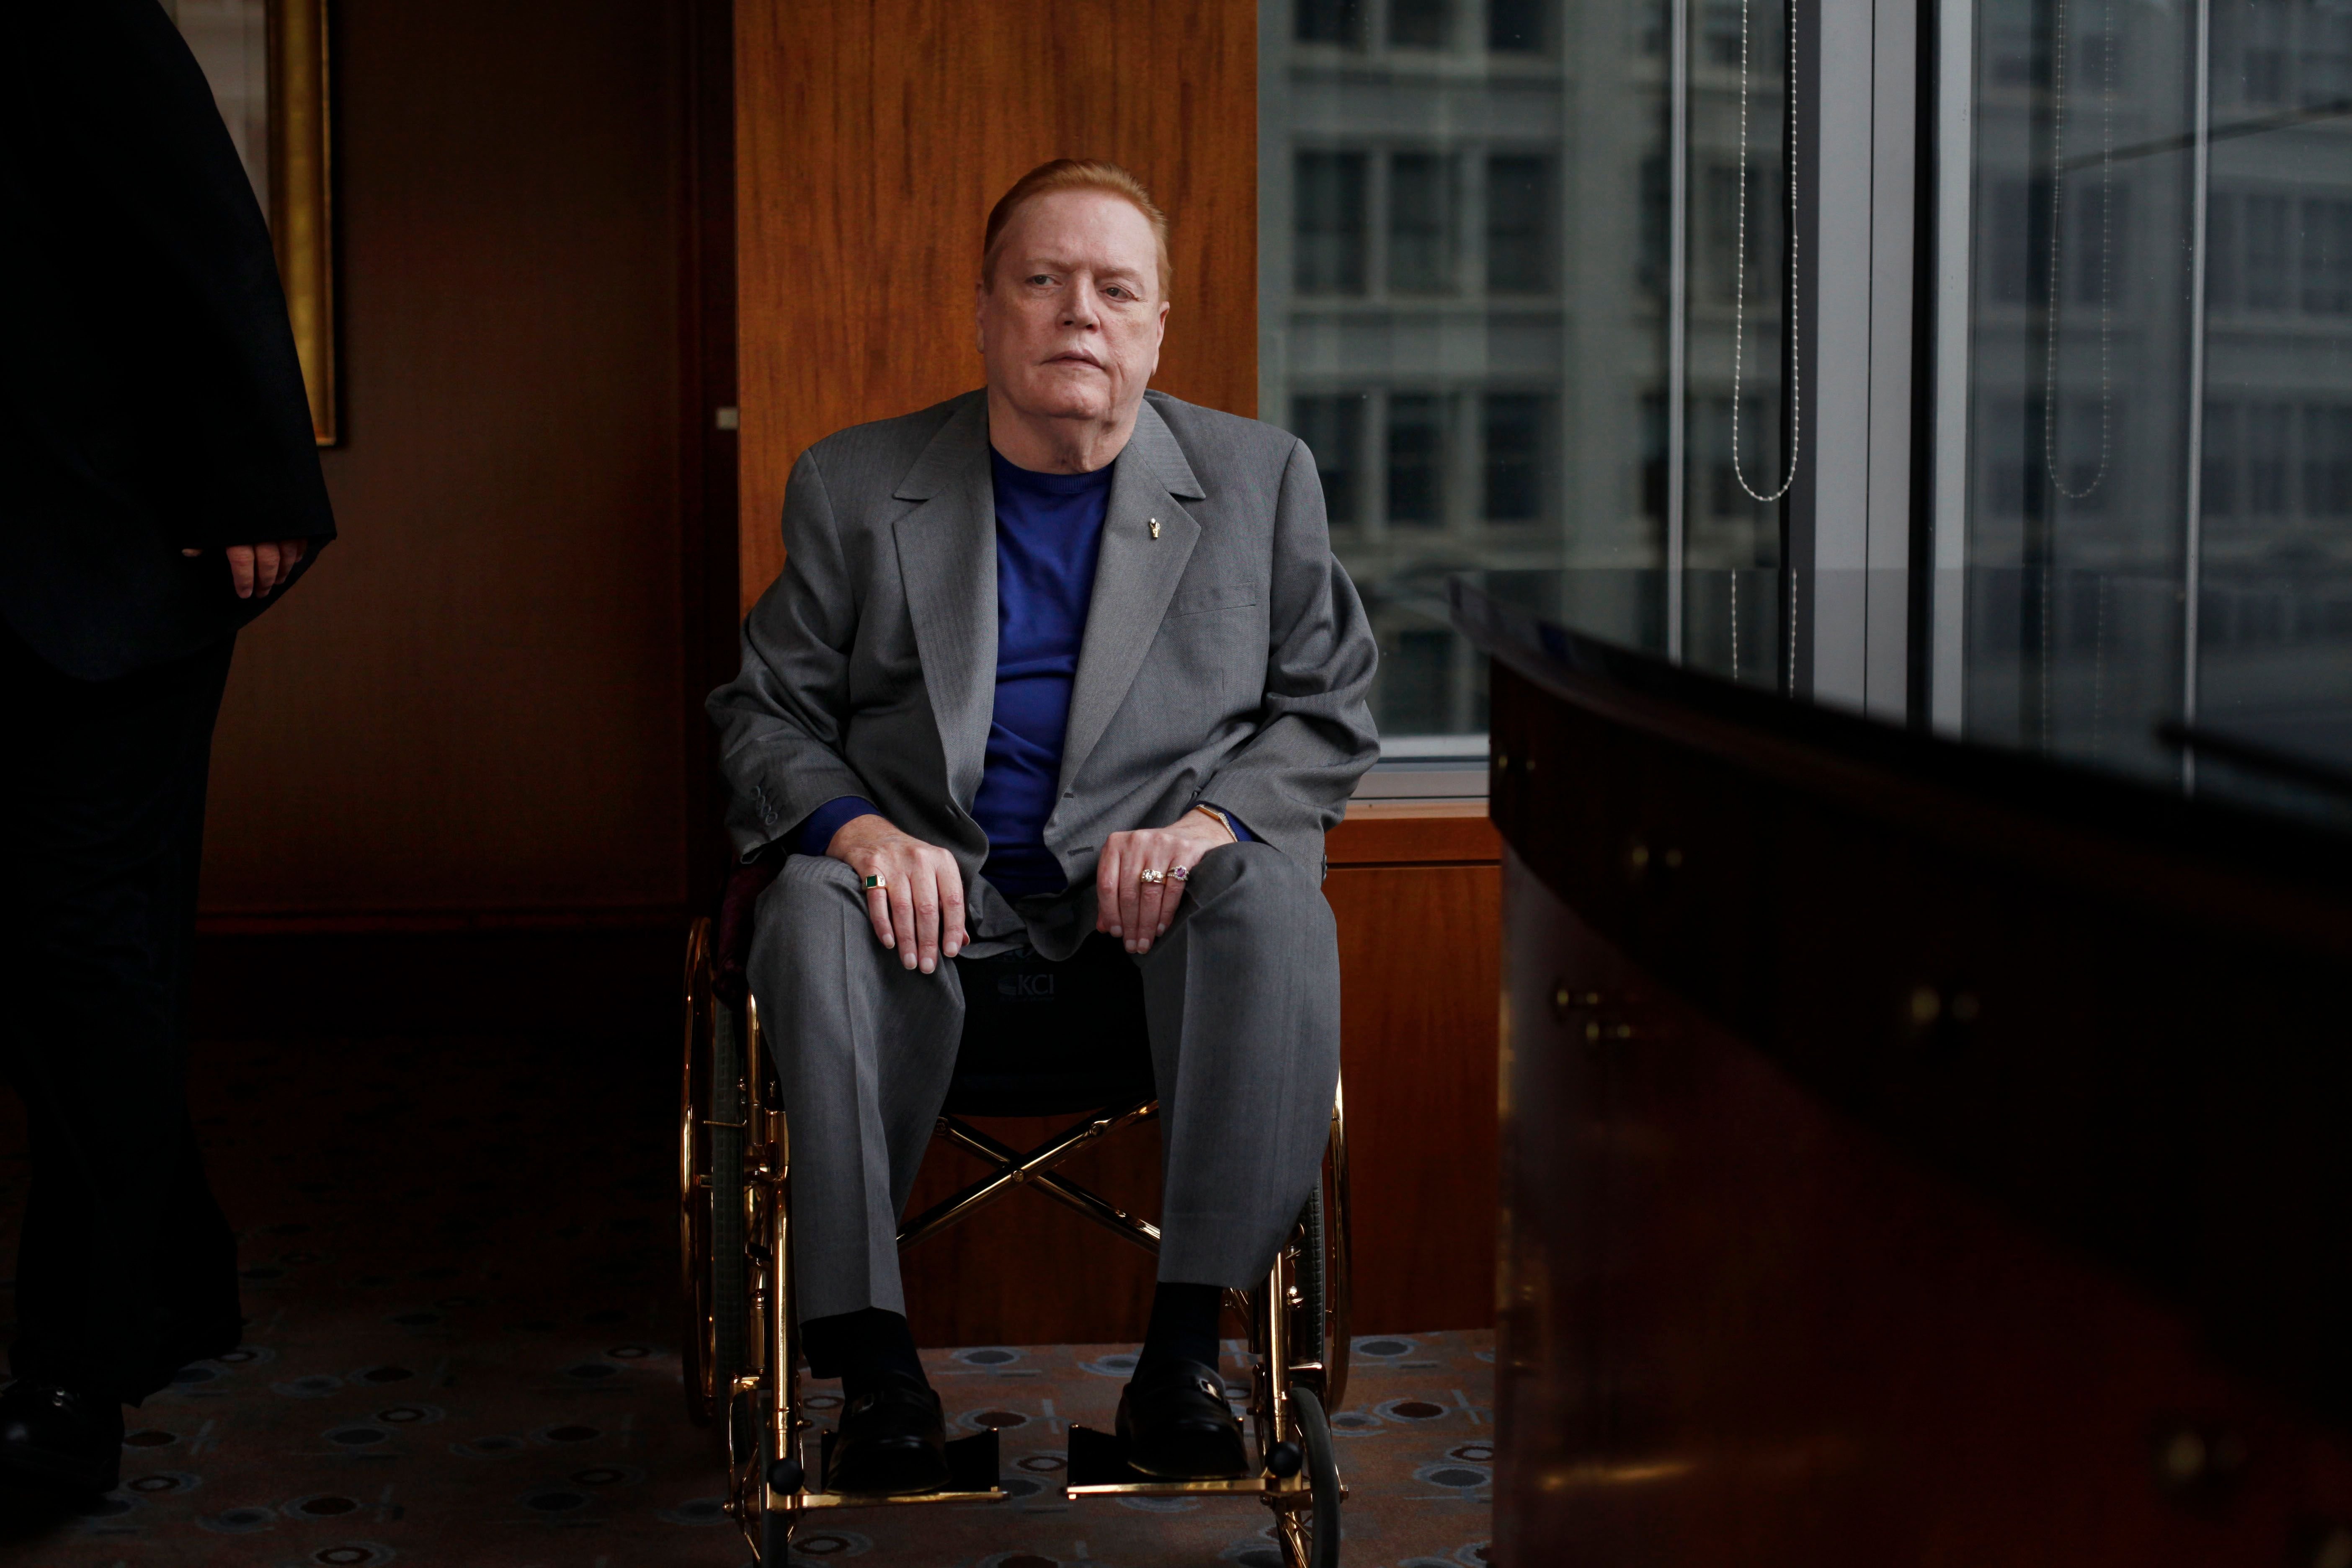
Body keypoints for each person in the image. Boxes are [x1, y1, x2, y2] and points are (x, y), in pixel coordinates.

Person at [709, 158, 1378, 1495]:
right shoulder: (857, 485)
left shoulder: (1260, 482)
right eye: (1044, 280)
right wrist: (855, 830)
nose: (1080, 311)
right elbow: (761, 717)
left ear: (1156, 327)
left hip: (1156, 951)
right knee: (806, 902)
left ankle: (1185, 1361)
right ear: (986, 311)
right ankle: (877, 1374)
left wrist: (1204, 824)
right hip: (921, 937)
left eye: (1115, 288)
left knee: (1270, 895)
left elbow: (1329, 711)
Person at [0, 0, 336, 1496]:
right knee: (56, 963)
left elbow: (198, 215)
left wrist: (257, 469)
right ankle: (179, 1270)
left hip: (98, 563)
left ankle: (71, 1382)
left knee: (80, 952)